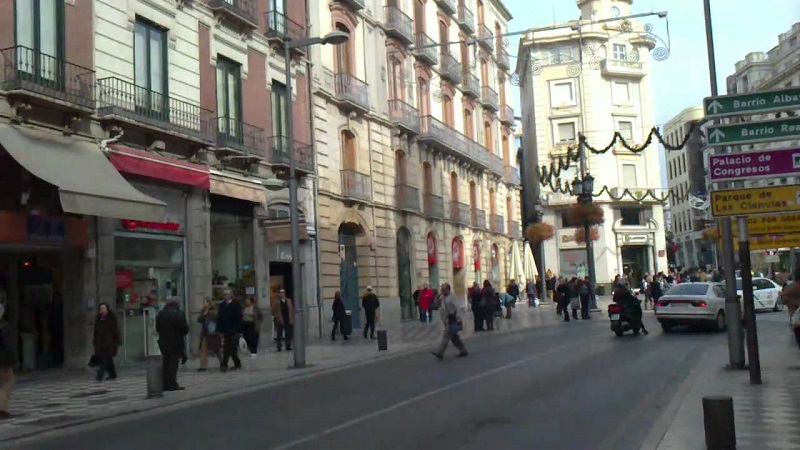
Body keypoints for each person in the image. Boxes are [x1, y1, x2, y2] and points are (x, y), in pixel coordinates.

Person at [155, 300, 190, 391]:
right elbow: (185, 329)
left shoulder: (161, 314)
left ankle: (164, 384)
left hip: (163, 341)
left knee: (165, 362)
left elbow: (157, 327)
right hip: (176, 341)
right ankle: (171, 384)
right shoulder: (178, 314)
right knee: (173, 364)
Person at [431, 282, 468, 360]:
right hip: (445, 319)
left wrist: (458, 319)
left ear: (448, 289)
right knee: (454, 337)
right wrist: (436, 298)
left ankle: (440, 352)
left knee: (446, 336)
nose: (442, 291)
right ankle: (463, 350)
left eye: (444, 289)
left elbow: (458, 308)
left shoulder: (452, 297)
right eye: (441, 289)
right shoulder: (442, 297)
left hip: (452, 319)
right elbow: (436, 305)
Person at [93, 302, 120, 382]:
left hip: (109, 343)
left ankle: (99, 376)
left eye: (103, 308)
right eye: (101, 308)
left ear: (107, 309)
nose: (102, 310)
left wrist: (116, 341)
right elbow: (96, 330)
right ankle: (113, 374)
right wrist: (95, 339)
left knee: (104, 359)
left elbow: (115, 330)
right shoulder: (98, 317)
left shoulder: (111, 318)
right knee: (108, 359)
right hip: (100, 342)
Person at [217, 290, 243, 371]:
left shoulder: (236, 305)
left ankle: (224, 364)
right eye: (224, 294)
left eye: (227, 294)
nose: (225, 296)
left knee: (227, 347)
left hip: (234, 329)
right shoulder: (221, 305)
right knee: (232, 348)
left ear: (231, 295)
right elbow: (219, 318)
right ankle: (237, 363)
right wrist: (219, 330)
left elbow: (239, 318)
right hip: (225, 329)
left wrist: (239, 331)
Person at [196, 298, 220, 372]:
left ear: (209, 303)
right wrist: (204, 314)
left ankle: (222, 362)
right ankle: (203, 366)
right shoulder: (203, 311)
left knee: (217, 349)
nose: (204, 304)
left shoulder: (213, 311)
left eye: (206, 302)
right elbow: (199, 320)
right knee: (203, 349)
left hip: (213, 333)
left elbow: (216, 318)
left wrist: (209, 313)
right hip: (205, 333)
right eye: (204, 302)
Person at [0, 304, 14, 419]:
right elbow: (7, 345)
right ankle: (3, 409)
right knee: (8, 381)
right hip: (3, 359)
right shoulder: (3, 326)